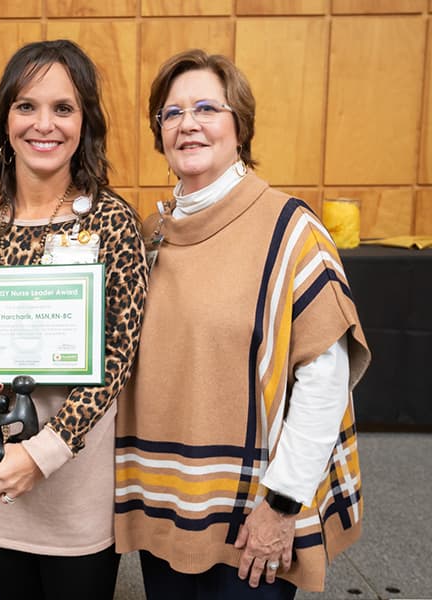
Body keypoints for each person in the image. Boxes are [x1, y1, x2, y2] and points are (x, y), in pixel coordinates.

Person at [114, 48, 371, 599]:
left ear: (240, 125)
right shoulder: (149, 231)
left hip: (255, 511)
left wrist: (281, 506)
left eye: (206, 107)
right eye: (171, 113)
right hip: (167, 501)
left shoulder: (290, 230)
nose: (188, 124)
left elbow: (324, 383)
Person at [0, 40, 148, 600]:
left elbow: (117, 358)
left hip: (74, 477)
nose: (44, 124)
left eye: (64, 108)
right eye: (26, 106)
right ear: (5, 118)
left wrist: (45, 451)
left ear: (86, 122)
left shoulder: (112, 221)